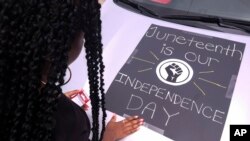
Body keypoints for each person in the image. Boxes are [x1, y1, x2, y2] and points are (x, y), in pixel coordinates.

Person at [0, 0, 144, 141]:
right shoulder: (69, 121)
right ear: (55, 50)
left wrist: (49, 98)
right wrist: (109, 136)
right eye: (82, 37)